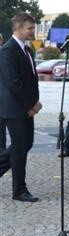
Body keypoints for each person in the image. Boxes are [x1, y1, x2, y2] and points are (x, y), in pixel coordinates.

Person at [0, 13, 42, 202]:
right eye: (30, 28)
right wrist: (30, 106)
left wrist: (35, 102)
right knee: (19, 147)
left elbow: (32, 79)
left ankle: (18, 187)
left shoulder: (27, 50)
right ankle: (19, 190)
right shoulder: (8, 50)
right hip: (14, 108)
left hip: (27, 107)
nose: (33, 31)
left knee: (25, 144)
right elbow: (13, 83)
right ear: (18, 28)